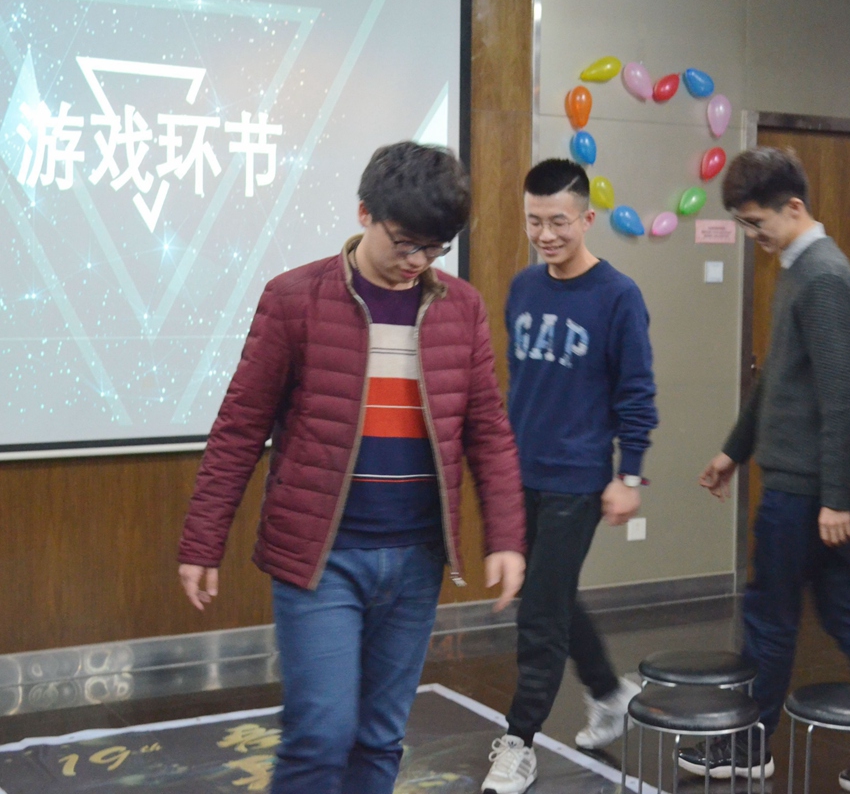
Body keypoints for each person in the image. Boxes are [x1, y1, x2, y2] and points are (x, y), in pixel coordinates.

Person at [177, 141, 527, 794]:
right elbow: (240, 427)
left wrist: (506, 536)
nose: (416, 261)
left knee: (380, 737)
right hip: (321, 558)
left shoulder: (461, 306)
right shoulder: (294, 299)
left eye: (434, 248)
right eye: (404, 243)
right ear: (365, 213)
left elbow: (488, 431)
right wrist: (203, 540)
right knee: (320, 734)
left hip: (417, 558)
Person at [685, 147, 850, 792]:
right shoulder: (799, 269)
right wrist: (734, 450)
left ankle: (749, 745)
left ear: (793, 207)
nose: (752, 236)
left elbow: (846, 399)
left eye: (756, 223)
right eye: (743, 224)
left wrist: (835, 497)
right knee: (847, 611)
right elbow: (778, 378)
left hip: (805, 492)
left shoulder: (824, 277)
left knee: (770, 616)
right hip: (806, 485)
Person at [480, 158, 657, 794]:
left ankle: (519, 742)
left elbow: (637, 393)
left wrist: (628, 476)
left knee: (539, 617)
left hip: (577, 480)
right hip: (518, 474)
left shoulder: (618, 295)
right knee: (548, 597)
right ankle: (609, 693)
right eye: (534, 221)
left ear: (587, 218)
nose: (545, 234)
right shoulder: (524, 288)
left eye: (558, 221)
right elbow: (519, 383)